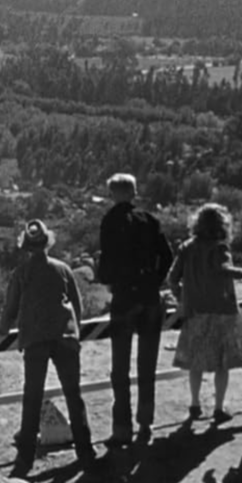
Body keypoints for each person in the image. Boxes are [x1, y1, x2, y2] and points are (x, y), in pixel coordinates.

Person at [0, 219, 95, 477]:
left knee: (32, 397)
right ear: (47, 243)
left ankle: (26, 457)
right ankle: (85, 450)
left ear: (26, 246)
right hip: (65, 336)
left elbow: (11, 307)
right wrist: (76, 330)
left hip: (36, 339)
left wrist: (4, 328)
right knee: (73, 394)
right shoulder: (63, 269)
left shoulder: (21, 273)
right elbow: (77, 304)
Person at [97, 173, 174, 446]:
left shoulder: (110, 221)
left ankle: (121, 428)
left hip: (124, 299)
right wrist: (154, 280)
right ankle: (146, 424)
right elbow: (167, 256)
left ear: (113, 193)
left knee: (120, 368)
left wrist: (111, 281)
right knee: (147, 365)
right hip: (150, 296)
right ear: (134, 191)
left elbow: (104, 265)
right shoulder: (150, 220)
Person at [168, 204, 242, 424]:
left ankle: (194, 405)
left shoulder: (186, 247)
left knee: (195, 362)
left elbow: (172, 278)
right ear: (223, 224)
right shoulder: (220, 248)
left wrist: (182, 299)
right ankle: (219, 408)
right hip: (222, 311)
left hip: (195, 312)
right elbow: (223, 270)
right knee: (223, 363)